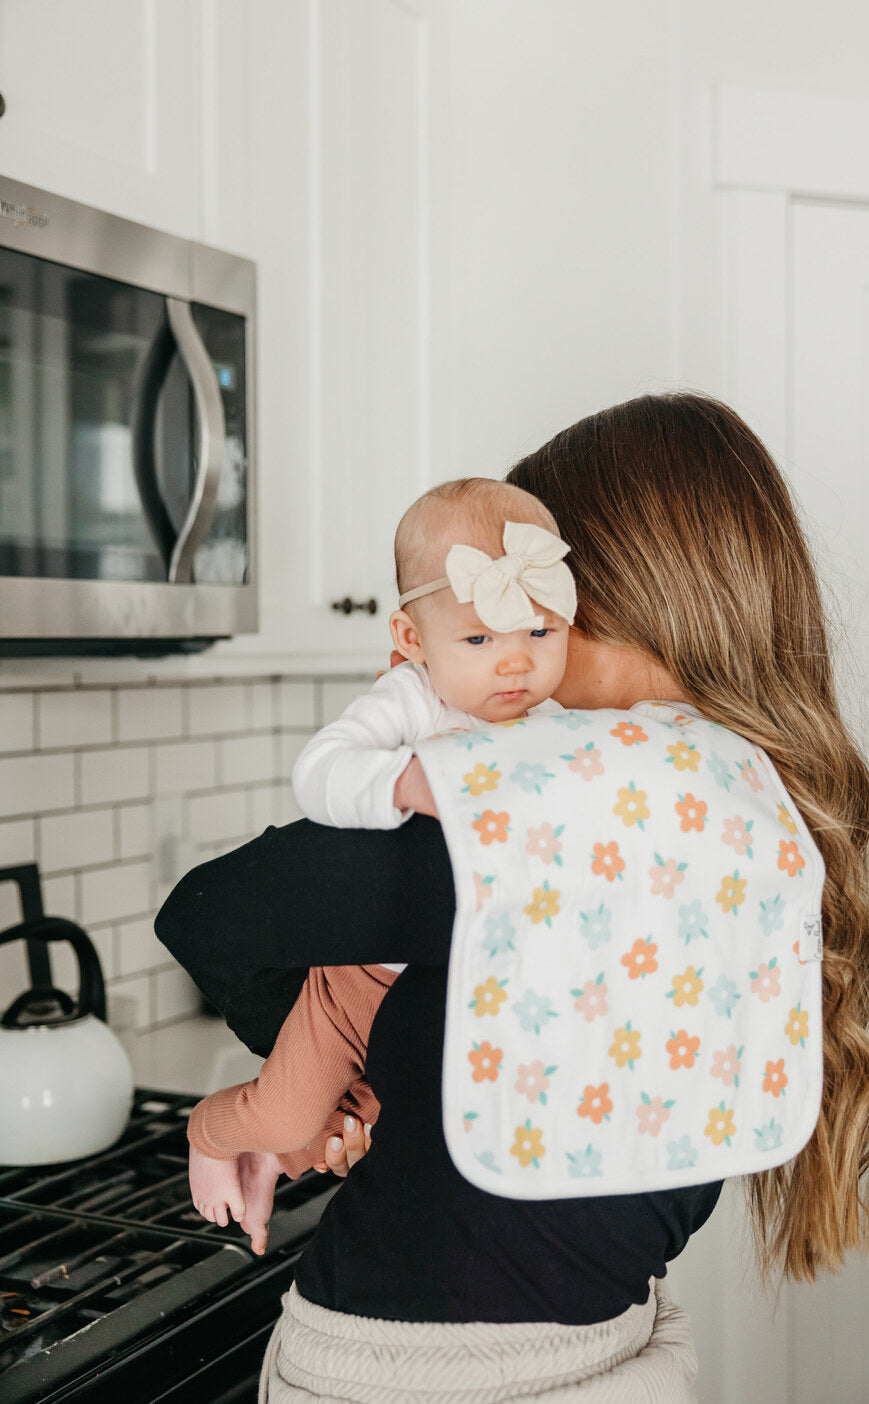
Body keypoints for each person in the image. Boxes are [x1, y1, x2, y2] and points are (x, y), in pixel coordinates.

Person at [157, 393, 869, 1402]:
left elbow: (206, 913)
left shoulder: (531, 826)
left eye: (531, 610)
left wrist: (286, 1084)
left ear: (612, 606)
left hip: (413, 1379)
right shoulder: (759, 821)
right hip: (620, 1353)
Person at [186, 478, 575, 1251]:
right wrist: (402, 780)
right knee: (289, 1114)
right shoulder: (412, 698)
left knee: (352, 1139)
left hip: (452, 987)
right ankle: (210, 1131)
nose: (515, 664)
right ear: (408, 636)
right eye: (479, 640)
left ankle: (273, 1158)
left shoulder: (558, 726)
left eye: (540, 633)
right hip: (355, 981)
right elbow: (320, 768)